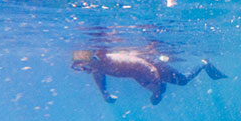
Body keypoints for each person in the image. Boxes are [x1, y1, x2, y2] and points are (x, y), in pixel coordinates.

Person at [71, 49, 227, 105]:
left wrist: (156, 81)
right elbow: (98, 75)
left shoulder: (108, 60)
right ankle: (162, 69)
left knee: (183, 81)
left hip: (148, 64)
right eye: (80, 68)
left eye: (83, 66)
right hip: (138, 73)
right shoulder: (96, 66)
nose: (84, 70)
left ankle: (204, 63)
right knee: (158, 94)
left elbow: (141, 64)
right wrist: (104, 93)